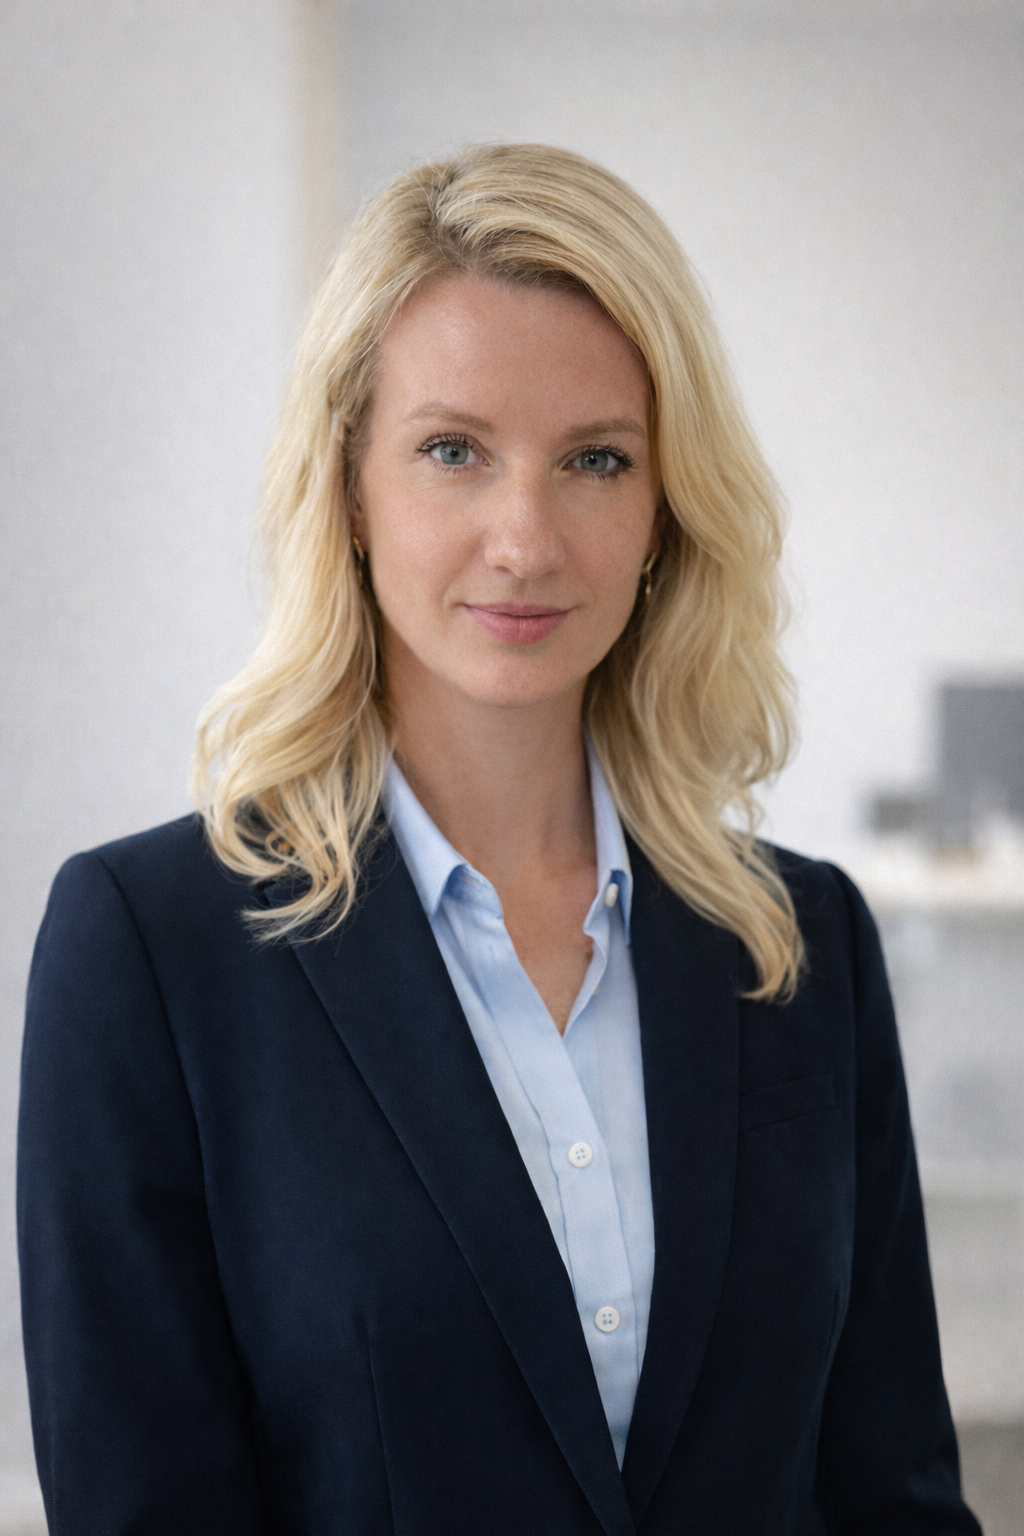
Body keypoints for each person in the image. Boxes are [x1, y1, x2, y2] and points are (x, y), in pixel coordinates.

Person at [18, 144, 979, 1536]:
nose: (524, 541)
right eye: (453, 451)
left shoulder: (800, 940)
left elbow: (894, 1493)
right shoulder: (149, 951)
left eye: (595, 460)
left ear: (663, 512)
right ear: (351, 489)